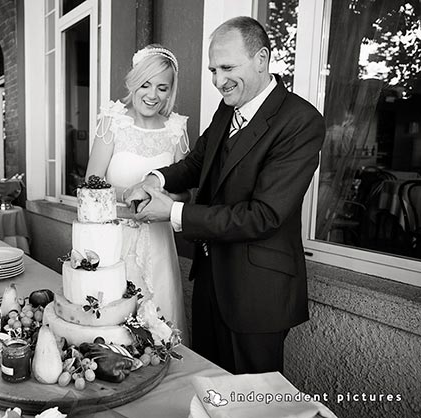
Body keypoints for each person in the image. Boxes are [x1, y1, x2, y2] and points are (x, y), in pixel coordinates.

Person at [124, 17, 325, 374]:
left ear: (261, 59)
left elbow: (264, 215)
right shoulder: (227, 108)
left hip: (256, 295)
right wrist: (154, 179)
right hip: (210, 282)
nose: (218, 81)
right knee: (210, 389)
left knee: (250, 402)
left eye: (228, 68)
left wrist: (175, 213)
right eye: (213, 69)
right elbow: (198, 162)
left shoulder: (301, 121)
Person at [85, 44, 190, 344]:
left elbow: (185, 191)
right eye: (145, 84)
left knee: (161, 327)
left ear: (170, 91)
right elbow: (91, 183)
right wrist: (133, 196)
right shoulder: (113, 121)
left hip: (158, 243)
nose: (152, 95)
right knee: (114, 326)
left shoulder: (175, 129)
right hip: (115, 242)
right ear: (133, 83)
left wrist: (162, 201)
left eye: (162, 87)